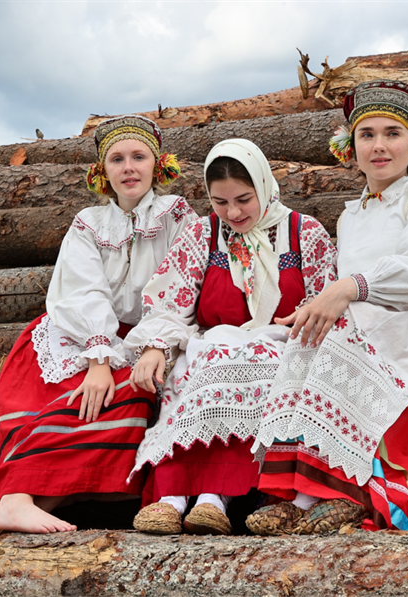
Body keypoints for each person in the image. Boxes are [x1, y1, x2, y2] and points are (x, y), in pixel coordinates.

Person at [0, 115, 197, 533]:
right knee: (74, 398)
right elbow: (81, 291)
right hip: (80, 334)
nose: (129, 167)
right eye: (117, 159)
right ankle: (19, 499)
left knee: (129, 405)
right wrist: (99, 357)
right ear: (103, 172)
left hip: (151, 334)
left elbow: (181, 285)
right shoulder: (90, 223)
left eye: (139, 156)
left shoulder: (178, 217)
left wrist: (154, 344)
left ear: (158, 164)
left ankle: (23, 501)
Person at [247, 80, 408, 535]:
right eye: (367, 134)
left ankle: (335, 496)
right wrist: (316, 305)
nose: (379, 146)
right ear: (351, 146)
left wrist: (346, 291)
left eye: (393, 134)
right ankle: (303, 494)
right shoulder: (352, 214)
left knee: (336, 345)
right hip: (372, 323)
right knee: (305, 340)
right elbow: (350, 285)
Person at [123, 138, 337, 535]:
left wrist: (299, 326)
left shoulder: (303, 233)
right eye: (220, 203)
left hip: (282, 343)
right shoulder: (201, 236)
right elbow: (170, 299)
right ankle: (171, 498)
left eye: (243, 199)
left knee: (253, 368)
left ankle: (214, 497)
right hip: (212, 343)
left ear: (264, 185)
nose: (233, 213)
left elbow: (326, 301)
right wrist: (154, 345)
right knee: (198, 370)